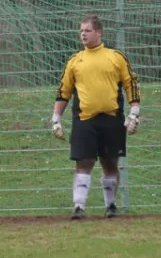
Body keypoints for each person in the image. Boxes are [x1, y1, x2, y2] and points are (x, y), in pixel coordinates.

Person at [51, 14, 141, 219]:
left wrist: (134, 111)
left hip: (111, 119)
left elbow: (131, 83)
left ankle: (111, 206)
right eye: (81, 30)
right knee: (84, 162)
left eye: (87, 30)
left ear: (99, 33)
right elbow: (63, 91)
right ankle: (79, 206)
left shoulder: (115, 57)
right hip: (84, 120)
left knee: (110, 163)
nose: (83, 34)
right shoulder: (75, 61)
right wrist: (56, 118)